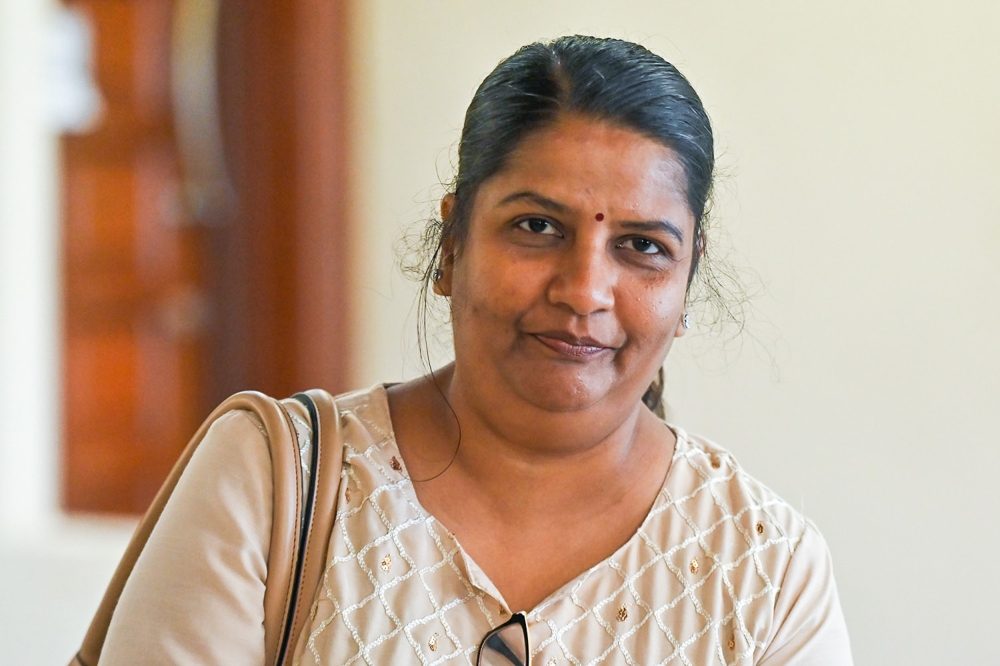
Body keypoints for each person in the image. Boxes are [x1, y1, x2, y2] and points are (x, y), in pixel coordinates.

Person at [100, 35, 853, 665]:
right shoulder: (275, 484)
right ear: (452, 245)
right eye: (538, 227)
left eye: (642, 246)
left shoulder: (765, 573)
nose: (584, 290)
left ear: (687, 283)